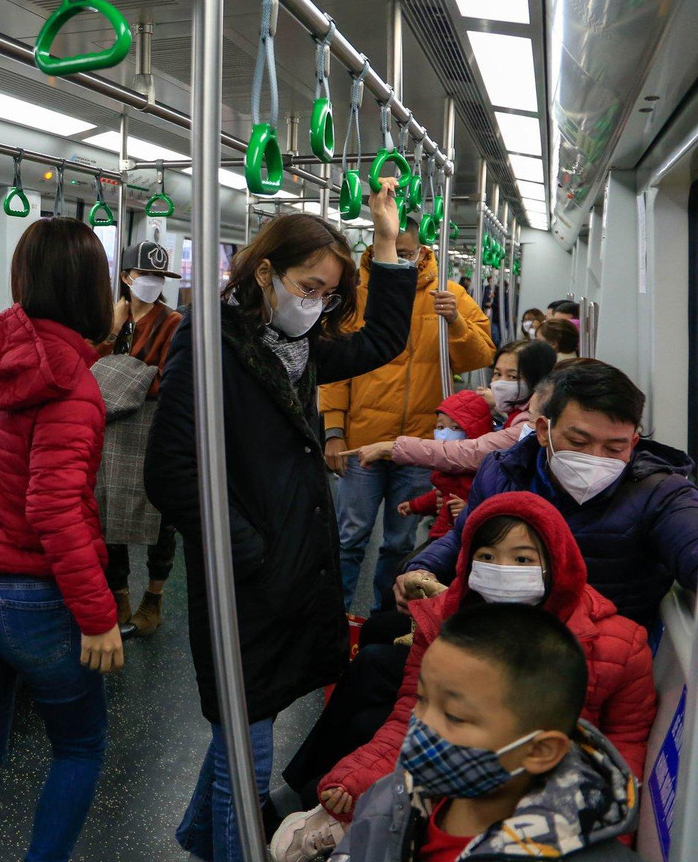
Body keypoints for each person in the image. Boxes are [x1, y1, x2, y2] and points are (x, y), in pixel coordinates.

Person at [145, 182, 418, 862]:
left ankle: (201, 839)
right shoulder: (208, 342)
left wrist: (385, 241)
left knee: (243, 731)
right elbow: (172, 468)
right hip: (247, 579)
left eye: (328, 292)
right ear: (264, 272)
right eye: (307, 285)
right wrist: (247, 551)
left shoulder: (299, 346)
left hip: (285, 569)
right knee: (250, 742)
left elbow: (383, 337)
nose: (316, 303)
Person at [275, 492, 656, 859]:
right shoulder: (448, 623)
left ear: (555, 562)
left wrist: (609, 829)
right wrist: (360, 776)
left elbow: (626, 745)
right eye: (487, 556)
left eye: (522, 559)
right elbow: (410, 710)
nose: (503, 569)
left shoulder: (618, 645)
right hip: (455, 784)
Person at [0, 217, 123, 862]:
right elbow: (53, 508)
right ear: (92, 290)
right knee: (78, 744)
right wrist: (99, 615)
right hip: (36, 600)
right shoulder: (72, 384)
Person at [325, 605, 644, 861]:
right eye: (422, 699)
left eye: (454, 716)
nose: (423, 724)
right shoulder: (392, 797)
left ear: (539, 751)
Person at [399, 362, 698, 628]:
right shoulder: (502, 473)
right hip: (496, 627)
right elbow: (465, 534)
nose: (595, 458)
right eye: (579, 441)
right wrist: (422, 569)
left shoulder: (661, 493)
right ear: (543, 431)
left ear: (633, 442)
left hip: (599, 651)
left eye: (615, 448)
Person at [322, 215, 496, 611]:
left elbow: (479, 356)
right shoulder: (357, 295)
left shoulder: (448, 294)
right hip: (362, 441)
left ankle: (387, 618)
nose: (398, 262)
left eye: (405, 254)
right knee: (349, 538)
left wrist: (454, 322)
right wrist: (333, 430)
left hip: (419, 445)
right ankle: (336, 618)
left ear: (422, 251)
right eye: (390, 253)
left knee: (399, 543)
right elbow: (332, 372)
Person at [96, 239, 183, 636]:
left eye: (158, 276)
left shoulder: (173, 322)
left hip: (152, 425)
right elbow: (89, 366)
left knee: (159, 516)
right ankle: (119, 596)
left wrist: (127, 378)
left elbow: (167, 378)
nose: (151, 282)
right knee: (108, 512)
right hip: (110, 428)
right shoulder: (109, 320)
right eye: (145, 274)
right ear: (127, 277)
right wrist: (112, 333)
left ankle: (154, 596)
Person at [351, 343, 558, 474]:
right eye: (496, 373)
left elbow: (471, 453)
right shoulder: (513, 414)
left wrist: (391, 447)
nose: (499, 383)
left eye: (512, 376)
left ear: (537, 381)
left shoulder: (527, 426)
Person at [397, 390, 494, 539]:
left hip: (462, 537)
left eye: (455, 428)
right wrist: (414, 506)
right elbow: (440, 496)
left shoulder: (481, 474)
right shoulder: (446, 470)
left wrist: (468, 509)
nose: (445, 434)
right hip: (442, 534)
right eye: (440, 428)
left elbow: (489, 503)